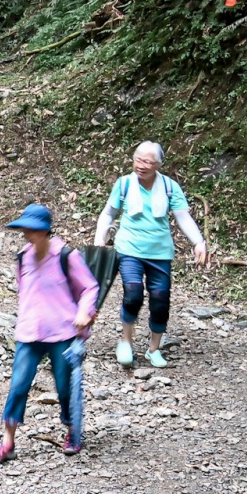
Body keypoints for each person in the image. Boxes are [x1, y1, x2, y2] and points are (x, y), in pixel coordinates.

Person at [0, 204, 98, 464]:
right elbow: (23, 292)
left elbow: (90, 288)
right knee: (18, 386)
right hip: (29, 332)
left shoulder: (66, 255)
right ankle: (7, 442)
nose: (28, 233)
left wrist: (84, 313)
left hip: (63, 331)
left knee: (64, 388)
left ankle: (72, 429)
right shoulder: (22, 257)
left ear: (46, 230)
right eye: (25, 228)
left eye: (33, 229)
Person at [93, 142, 208, 368]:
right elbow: (108, 213)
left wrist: (198, 242)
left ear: (158, 165)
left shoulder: (169, 186)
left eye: (148, 162)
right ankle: (125, 341)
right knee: (133, 294)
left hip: (160, 253)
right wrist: (99, 239)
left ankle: (154, 349)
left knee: (160, 300)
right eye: (138, 160)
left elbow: (183, 217)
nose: (142, 165)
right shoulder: (124, 184)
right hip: (129, 249)